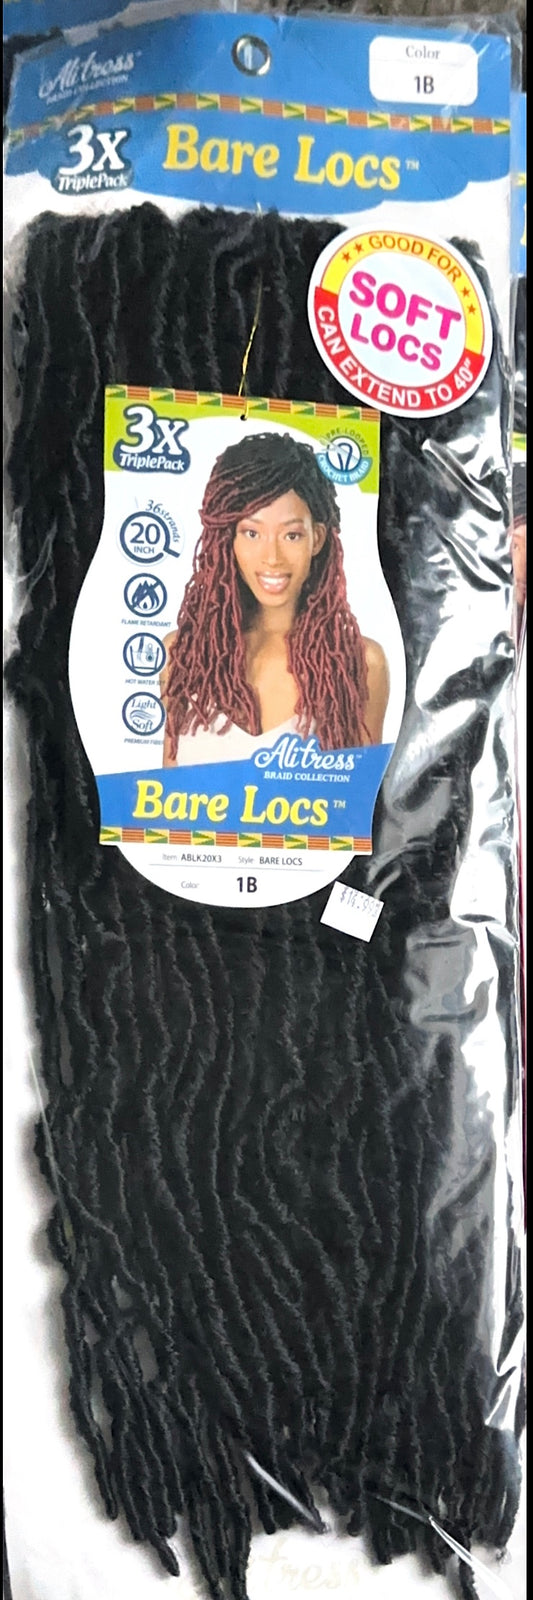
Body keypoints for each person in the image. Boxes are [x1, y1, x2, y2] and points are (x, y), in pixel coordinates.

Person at [161, 431, 389, 766]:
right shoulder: (183, 655)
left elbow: (361, 796)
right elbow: (165, 791)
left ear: (317, 539)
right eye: (251, 533)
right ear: (227, 539)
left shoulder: (361, 663)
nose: (272, 557)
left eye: (291, 535)